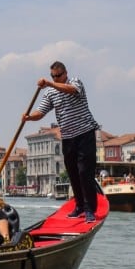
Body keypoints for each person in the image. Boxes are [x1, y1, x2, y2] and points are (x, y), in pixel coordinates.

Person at [22, 61, 100, 224]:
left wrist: (50, 83)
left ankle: (89, 209)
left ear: (65, 73)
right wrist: (29, 117)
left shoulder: (75, 82)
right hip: (68, 138)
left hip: (85, 133)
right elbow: (41, 112)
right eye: (53, 76)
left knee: (85, 172)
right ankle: (79, 206)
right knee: (73, 173)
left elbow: (72, 91)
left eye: (58, 76)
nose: (56, 79)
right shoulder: (50, 93)